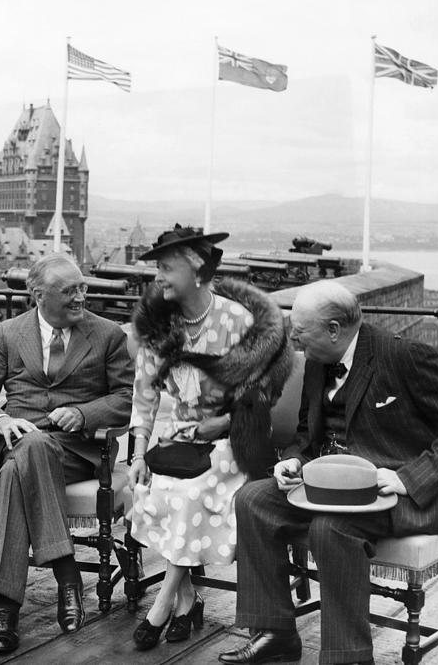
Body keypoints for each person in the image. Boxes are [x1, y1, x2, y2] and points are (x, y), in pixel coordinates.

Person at [219, 280, 438, 665]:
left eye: (301, 333)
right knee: (252, 500)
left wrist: (408, 478)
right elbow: (305, 431)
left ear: (335, 329)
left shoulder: (405, 357)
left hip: (398, 491)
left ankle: (347, 657)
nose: (296, 344)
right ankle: (275, 632)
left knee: (330, 527)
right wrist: (295, 458)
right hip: (330, 486)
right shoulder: (318, 360)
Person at [0, 252, 134, 655]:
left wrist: (84, 413)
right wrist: (0, 421)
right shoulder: (8, 333)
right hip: (18, 441)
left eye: (82, 287)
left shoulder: (108, 335)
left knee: (19, 471)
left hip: (75, 451)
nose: (81, 296)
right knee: (30, 449)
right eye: (69, 290)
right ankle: (66, 573)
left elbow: (124, 399)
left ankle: (4, 609)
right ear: (38, 295)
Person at [126, 224, 291, 650]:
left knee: (192, 492)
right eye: (157, 268)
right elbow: (144, 397)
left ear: (197, 272)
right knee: (153, 487)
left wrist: (221, 425)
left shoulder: (238, 321)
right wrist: (139, 452)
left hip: (236, 439)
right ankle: (188, 602)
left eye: (166, 268)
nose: (158, 277)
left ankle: (162, 605)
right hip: (180, 440)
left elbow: (262, 392)